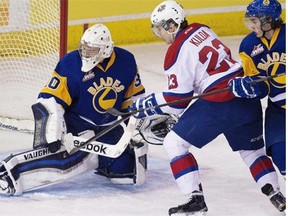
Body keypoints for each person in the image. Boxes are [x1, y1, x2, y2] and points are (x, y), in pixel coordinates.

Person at [128, 1, 286, 215]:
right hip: (245, 96)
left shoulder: (175, 52)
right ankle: (276, 194)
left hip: (220, 102)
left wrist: (146, 104)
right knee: (252, 151)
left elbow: (179, 100)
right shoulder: (202, 28)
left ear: (172, 26)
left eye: (160, 29)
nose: (159, 35)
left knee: (174, 143)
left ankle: (195, 200)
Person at [0, 23, 151, 195]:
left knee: (125, 172)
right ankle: (10, 174)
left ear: (106, 50)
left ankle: (102, 160)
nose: (85, 52)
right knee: (72, 161)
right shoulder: (70, 64)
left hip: (109, 127)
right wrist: (53, 134)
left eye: (91, 49)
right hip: (77, 125)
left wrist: (135, 125)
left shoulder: (126, 61)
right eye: (84, 47)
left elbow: (134, 98)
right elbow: (49, 99)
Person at [228, 0, 285, 178]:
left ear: (268, 21)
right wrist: (250, 86)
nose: (251, 25)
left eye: (255, 21)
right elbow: (262, 87)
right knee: (280, 153)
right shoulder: (248, 45)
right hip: (278, 109)